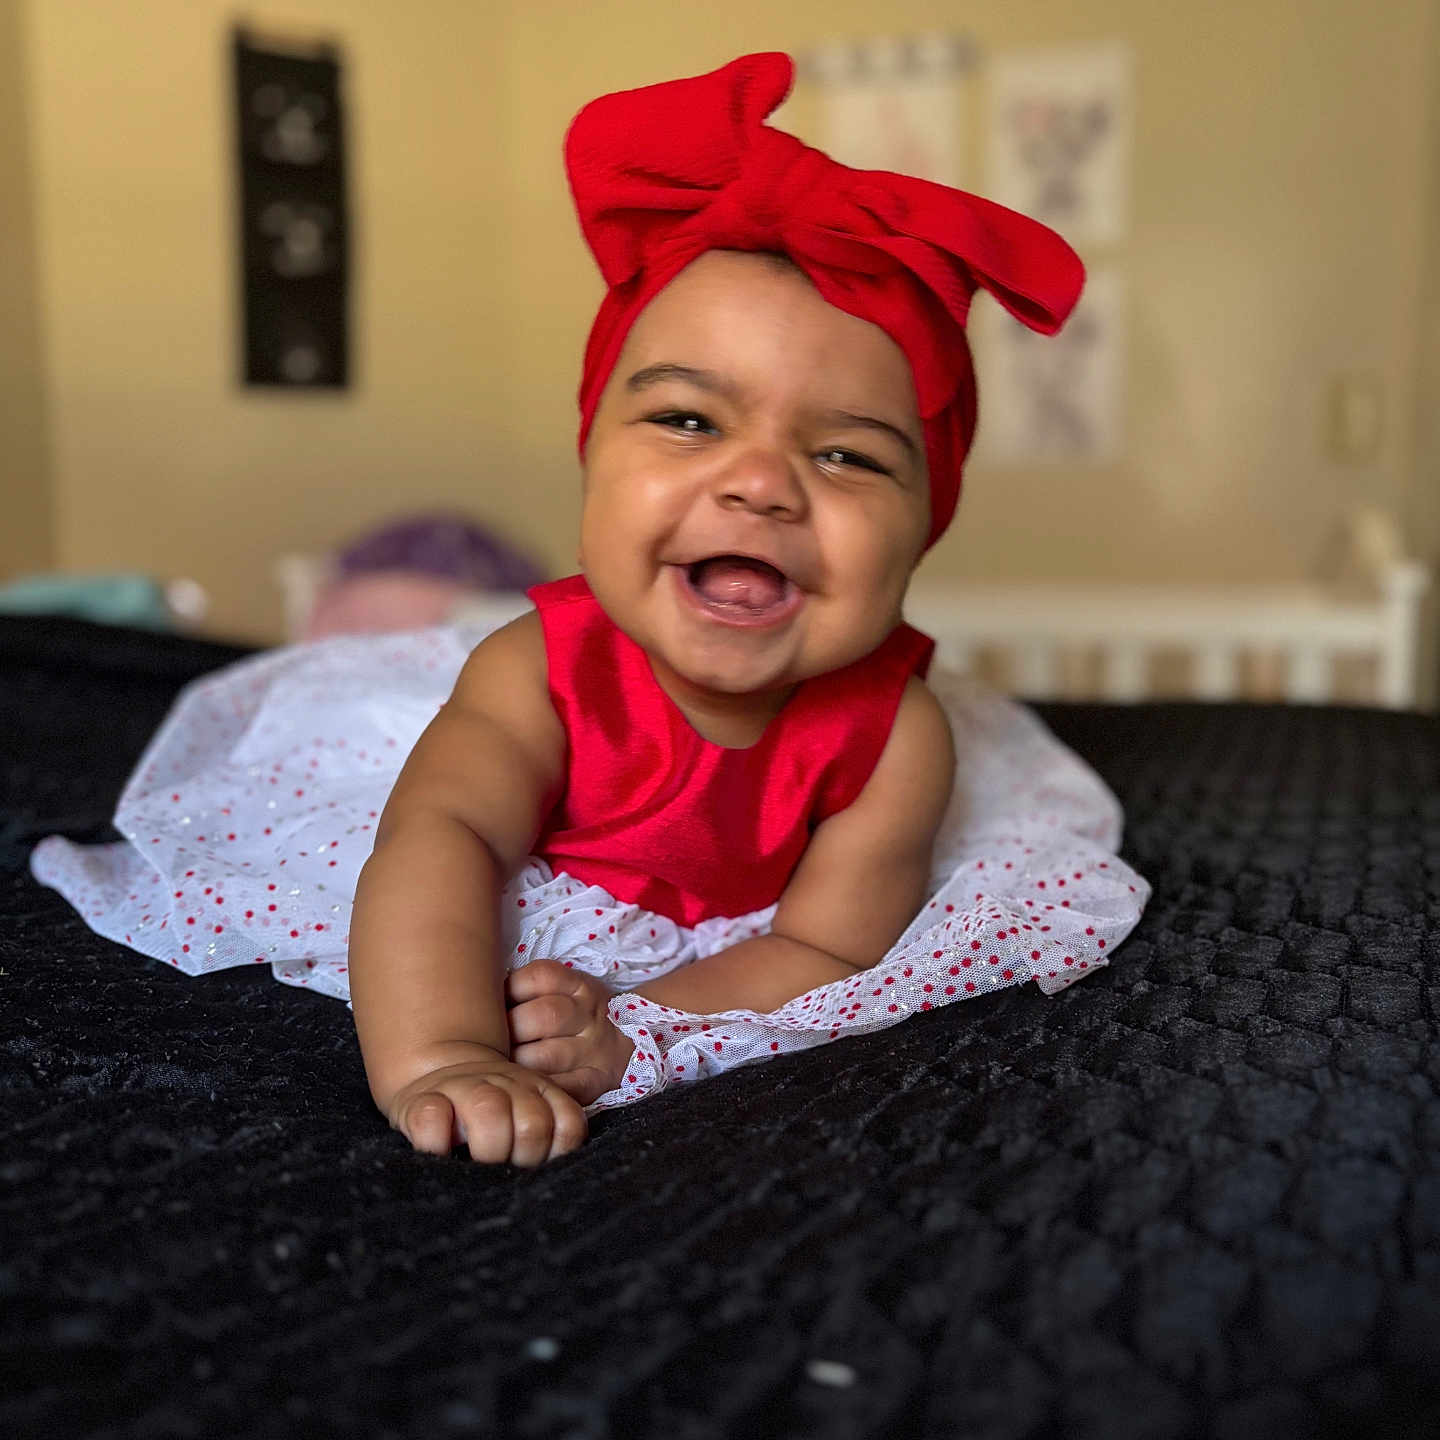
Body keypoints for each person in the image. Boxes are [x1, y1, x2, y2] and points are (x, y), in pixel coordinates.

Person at [30, 53, 1149, 1169]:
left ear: (922, 528)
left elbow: (823, 944)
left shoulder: (896, 741)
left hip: (717, 947)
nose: (761, 483)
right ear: (592, 463)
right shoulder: (537, 673)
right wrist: (445, 1054)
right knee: (424, 822)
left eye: (848, 453)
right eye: (689, 422)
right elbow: (443, 841)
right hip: (520, 865)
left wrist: (636, 1025)